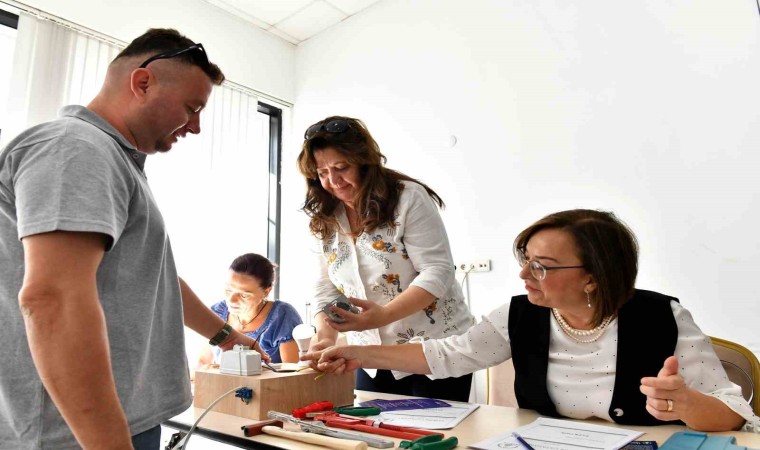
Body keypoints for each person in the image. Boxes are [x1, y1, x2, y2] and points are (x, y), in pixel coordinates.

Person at [0, 29, 269, 450]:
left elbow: (153, 277)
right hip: (73, 434)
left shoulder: (110, 159)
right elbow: (52, 299)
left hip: (120, 419)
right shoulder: (76, 148)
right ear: (143, 83)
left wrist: (227, 336)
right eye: (192, 108)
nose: (196, 127)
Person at [304, 209, 760, 432]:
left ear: (594, 278)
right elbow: (448, 355)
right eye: (525, 260)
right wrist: (356, 353)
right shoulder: (518, 314)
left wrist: (685, 403)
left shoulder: (662, 317)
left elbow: (735, 415)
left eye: (542, 266)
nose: (524, 275)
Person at [296, 116, 475, 402]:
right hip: (369, 355)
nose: (333, 181)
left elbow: (437, 271)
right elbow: (326, 288)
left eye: (341, 168)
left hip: (432, 348)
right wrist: (326, 338)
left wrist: (384, 315)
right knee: (372, 427)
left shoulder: (408, 198)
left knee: (434, 427)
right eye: (323, 172)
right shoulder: (326, 216)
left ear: (364, 162)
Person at [197, 253, 303, 366]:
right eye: (228, 290)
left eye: (244, 295)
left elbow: (292, 371)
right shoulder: (217, 312)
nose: (232, 300)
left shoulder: (282, 315)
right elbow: (203, 362)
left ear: (266, 292)